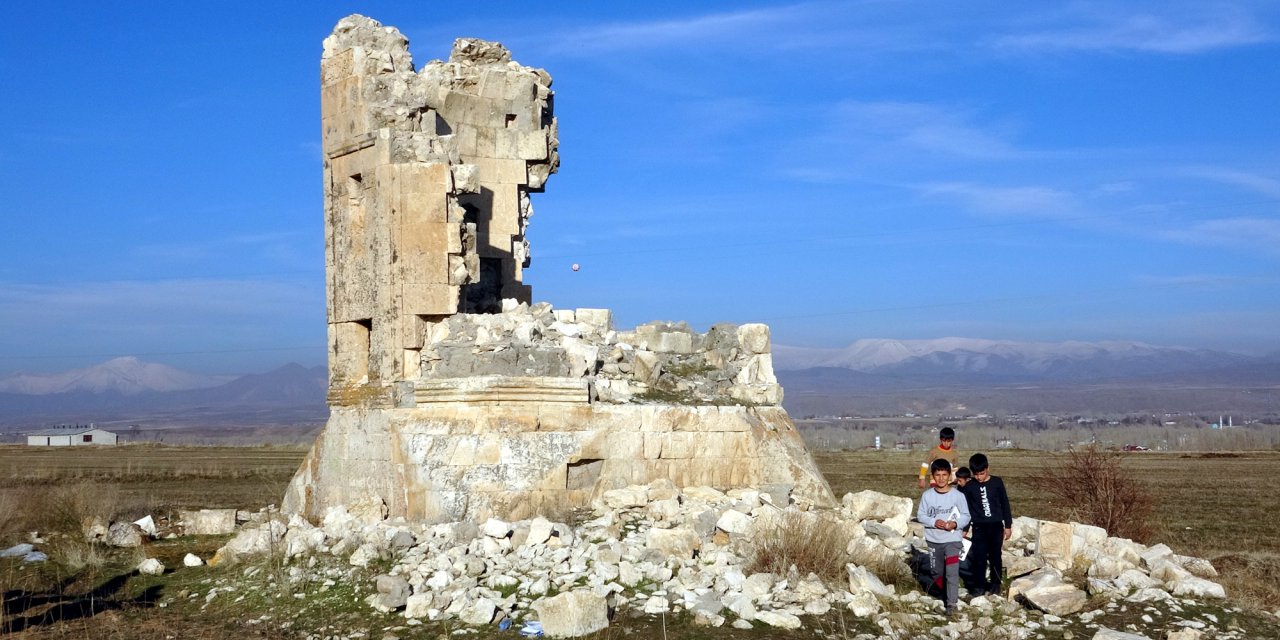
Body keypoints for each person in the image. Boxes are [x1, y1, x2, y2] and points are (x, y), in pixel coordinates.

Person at [917, 458, 970, 617]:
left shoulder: (958, 495)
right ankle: (946, 593)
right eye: (937, 475)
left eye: (944, 475)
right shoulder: (927, 496)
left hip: (953, 540)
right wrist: (934, 522)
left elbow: (966, 516)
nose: (941, 478)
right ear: (932, 476)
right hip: (934, 540)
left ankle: (952, 604)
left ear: (950, 476)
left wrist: (955, 524)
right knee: (936, 572)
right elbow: (920, 516)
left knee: (952, 573)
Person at [959, 453, 1013, 597]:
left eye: (981, 473)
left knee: (996, 556)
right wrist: (965, 529)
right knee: (979, 557)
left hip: (996, 526)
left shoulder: (997, 482)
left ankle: (996, 585)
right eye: (976, 474)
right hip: (979, 527)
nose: (979, 477)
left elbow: (1005, 504)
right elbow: (967, 510)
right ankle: (979, 587)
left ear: (987, 468)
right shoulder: (969, 487)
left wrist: (1008, 525)